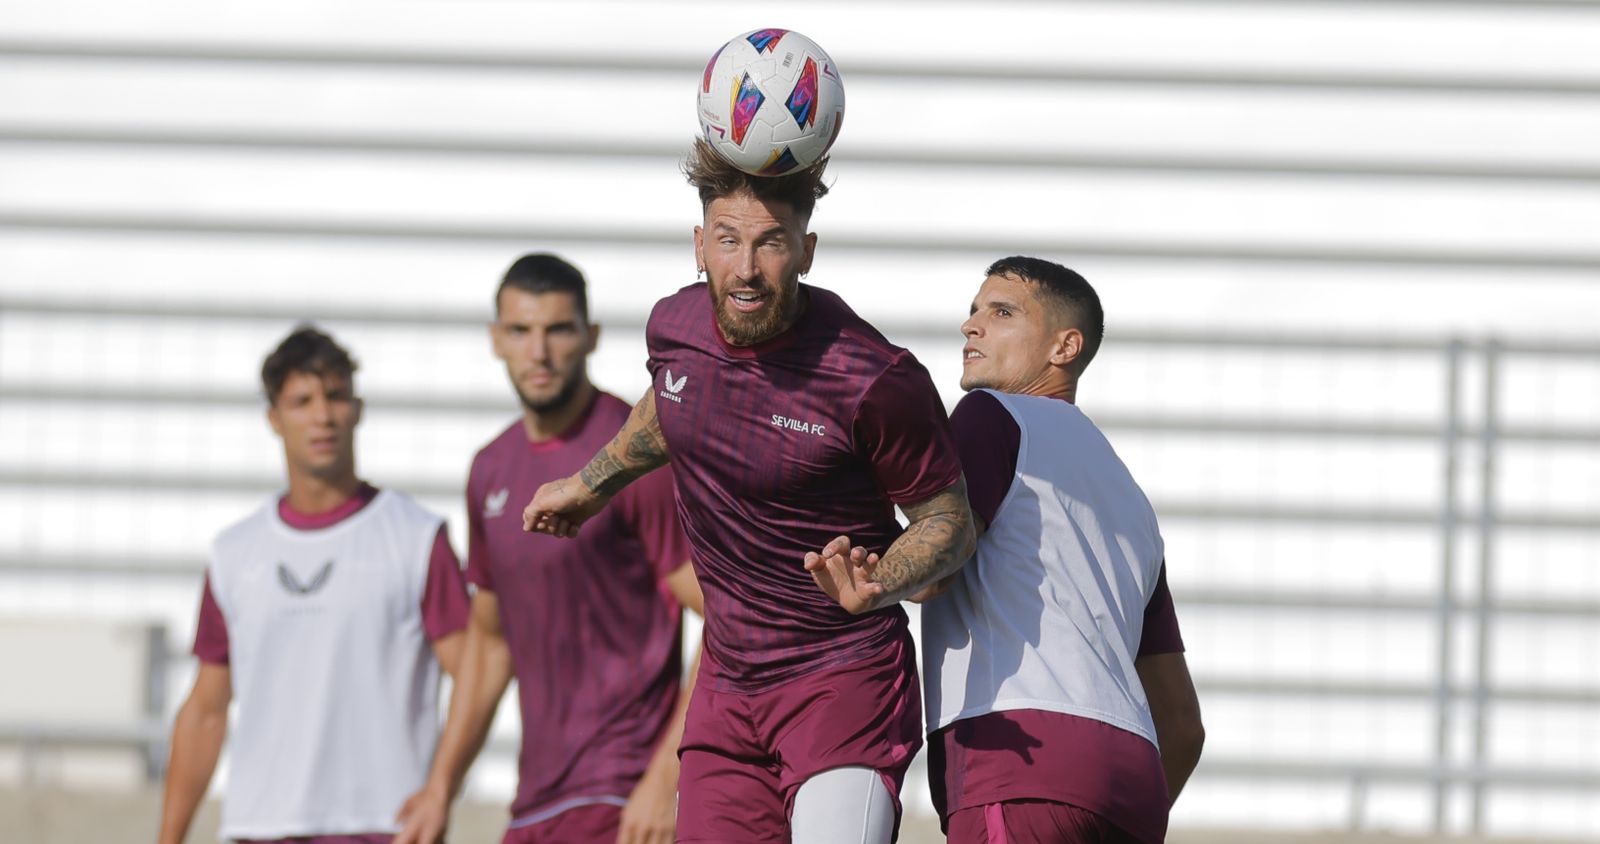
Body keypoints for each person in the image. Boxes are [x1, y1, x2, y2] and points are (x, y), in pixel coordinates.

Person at [523, 141, 977, 844]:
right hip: (727, 689)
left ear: (806, 250)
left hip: (843, 681)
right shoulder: (673, 329)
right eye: (729, 241)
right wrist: (592, 484)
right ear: (700, 245)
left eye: (770, 244)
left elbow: (950, 522)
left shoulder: (874, 377)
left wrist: (878, 583)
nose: (746, 268)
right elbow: (671, 402)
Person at [810, 257, 1206, 844]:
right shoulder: (1130, 497)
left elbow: (935, 565)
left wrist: (871, 584)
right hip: (1134, 783)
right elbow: (1182, 725)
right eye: (974, 311)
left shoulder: (991, 416)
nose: (972, 326)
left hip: (1019, 761)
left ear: (1064, 347)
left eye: (1002, 312)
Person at [394, 254, 703, 844]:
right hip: (534, 804)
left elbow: (724, 616)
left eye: (558, 329)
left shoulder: (633, 453)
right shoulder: (489, 471)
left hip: (624, 797)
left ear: (590, 337)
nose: (539, 352)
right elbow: (489, 645)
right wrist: (440, 789)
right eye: (520, 331)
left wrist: (667, 778)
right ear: (496, 340)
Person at [159, 326, 470, 844]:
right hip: (257, 828)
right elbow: (206, 711)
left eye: (336, 396)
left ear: (358, 409)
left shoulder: (416, 536)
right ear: (274, 419)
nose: (323, 416)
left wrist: (439, 789)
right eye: (302, 401)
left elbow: (475, 676)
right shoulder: (236, 552)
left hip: (385, 827)